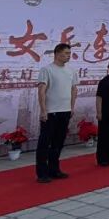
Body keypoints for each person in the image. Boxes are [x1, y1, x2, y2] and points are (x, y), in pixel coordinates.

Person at [36, 43, 78, 184]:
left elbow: (74, 89)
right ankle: (42, 173)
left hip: (65, 111)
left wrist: (71, 107)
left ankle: (54, 169)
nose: (68, 56)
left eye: (69, 53)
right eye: (66, 53)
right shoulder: (47, 70)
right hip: (51, 112)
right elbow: (41, 90)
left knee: (58, 142)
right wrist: (43, 110)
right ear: (57, 54)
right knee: (45, 143)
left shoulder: (71, 71)